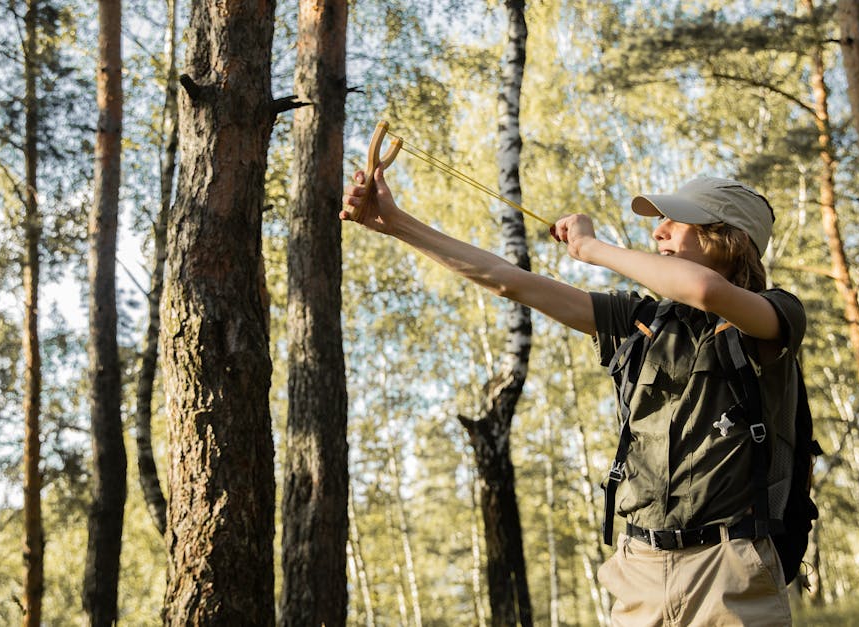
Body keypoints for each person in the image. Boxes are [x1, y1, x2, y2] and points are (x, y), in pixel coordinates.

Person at [342, 168, 804, 626]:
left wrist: (591, 249)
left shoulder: (776, 316)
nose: (657, 230)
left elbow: (706, 290)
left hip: (728, 569)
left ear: (727, 239)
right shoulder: (641, 320)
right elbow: (509, 280)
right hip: (639, 566)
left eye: (675, 222)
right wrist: (397, 224)